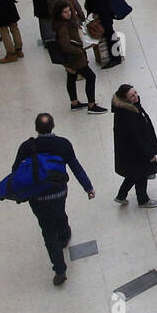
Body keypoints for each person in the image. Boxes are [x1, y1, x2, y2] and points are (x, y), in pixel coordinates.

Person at [11, 113, 96, 286]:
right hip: (59, 193)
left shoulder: (26, 147)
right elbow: (76, 168)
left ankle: (60, 270)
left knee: (48, 231)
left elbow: (15, 171)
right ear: (53, 125)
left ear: (36, 129)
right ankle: (64, 234)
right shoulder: (63, 144)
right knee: (59, 212)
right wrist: (88, 187)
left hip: (37, 197)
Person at [112, 84, 157, 208]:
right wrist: (150, 153)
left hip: (130, 152)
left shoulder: (129, 108)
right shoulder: (128, 115)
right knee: (141, 174)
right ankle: (143, 200)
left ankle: (121, 195)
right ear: (125, 99)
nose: (136, 96)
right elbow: (137, 138)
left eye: (135, 93)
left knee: (133, 173)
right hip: (136, 152)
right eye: (132, 95)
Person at [52, 2, 105, 112]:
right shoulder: (63, 27)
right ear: (60, 14)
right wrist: (79, 51)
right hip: (75, 57)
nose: (69, 14)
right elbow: (66, 45)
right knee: (90, 77)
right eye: (65, 12)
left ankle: (74, 102)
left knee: (71, 77)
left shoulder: (64, 23)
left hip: (70, 58)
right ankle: (91, 105)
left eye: (69, 11)